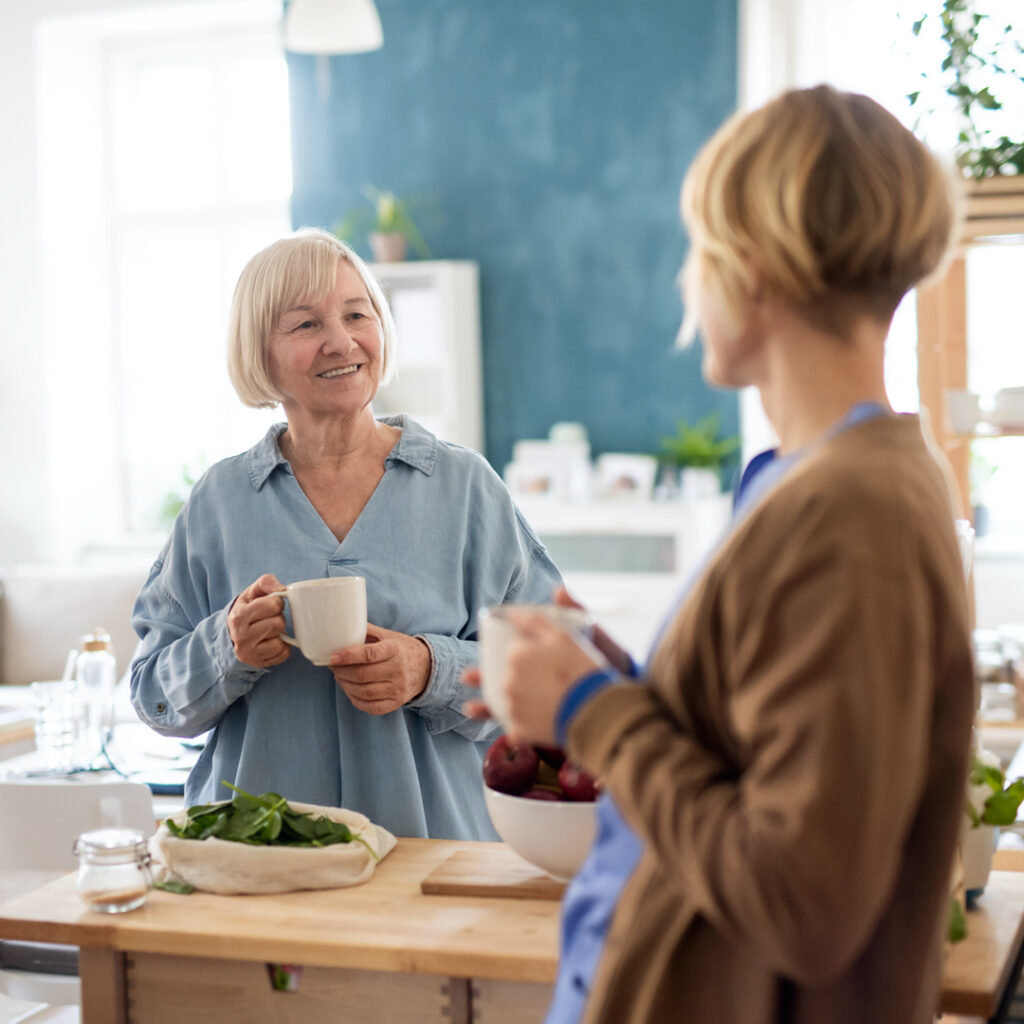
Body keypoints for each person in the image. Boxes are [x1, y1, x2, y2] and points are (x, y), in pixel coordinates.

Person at [474, 86, 975, 1023]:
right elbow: (764, 746)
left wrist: (592, 712)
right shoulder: (836, 480)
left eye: (697, 250)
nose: (688, 283)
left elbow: (804, 898)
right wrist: (616, 682)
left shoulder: (847, 513)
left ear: (751, 266)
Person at [130, 228, 562, 840]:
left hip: (432, 856)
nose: (341, 341)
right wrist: (227, 649)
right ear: (261, 352)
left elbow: (550, 670)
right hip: (257, 861)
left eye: (357, 314)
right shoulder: (219, 501)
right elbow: (152, 695)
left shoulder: (464, 486)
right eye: (305, 325)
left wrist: (428, 667)